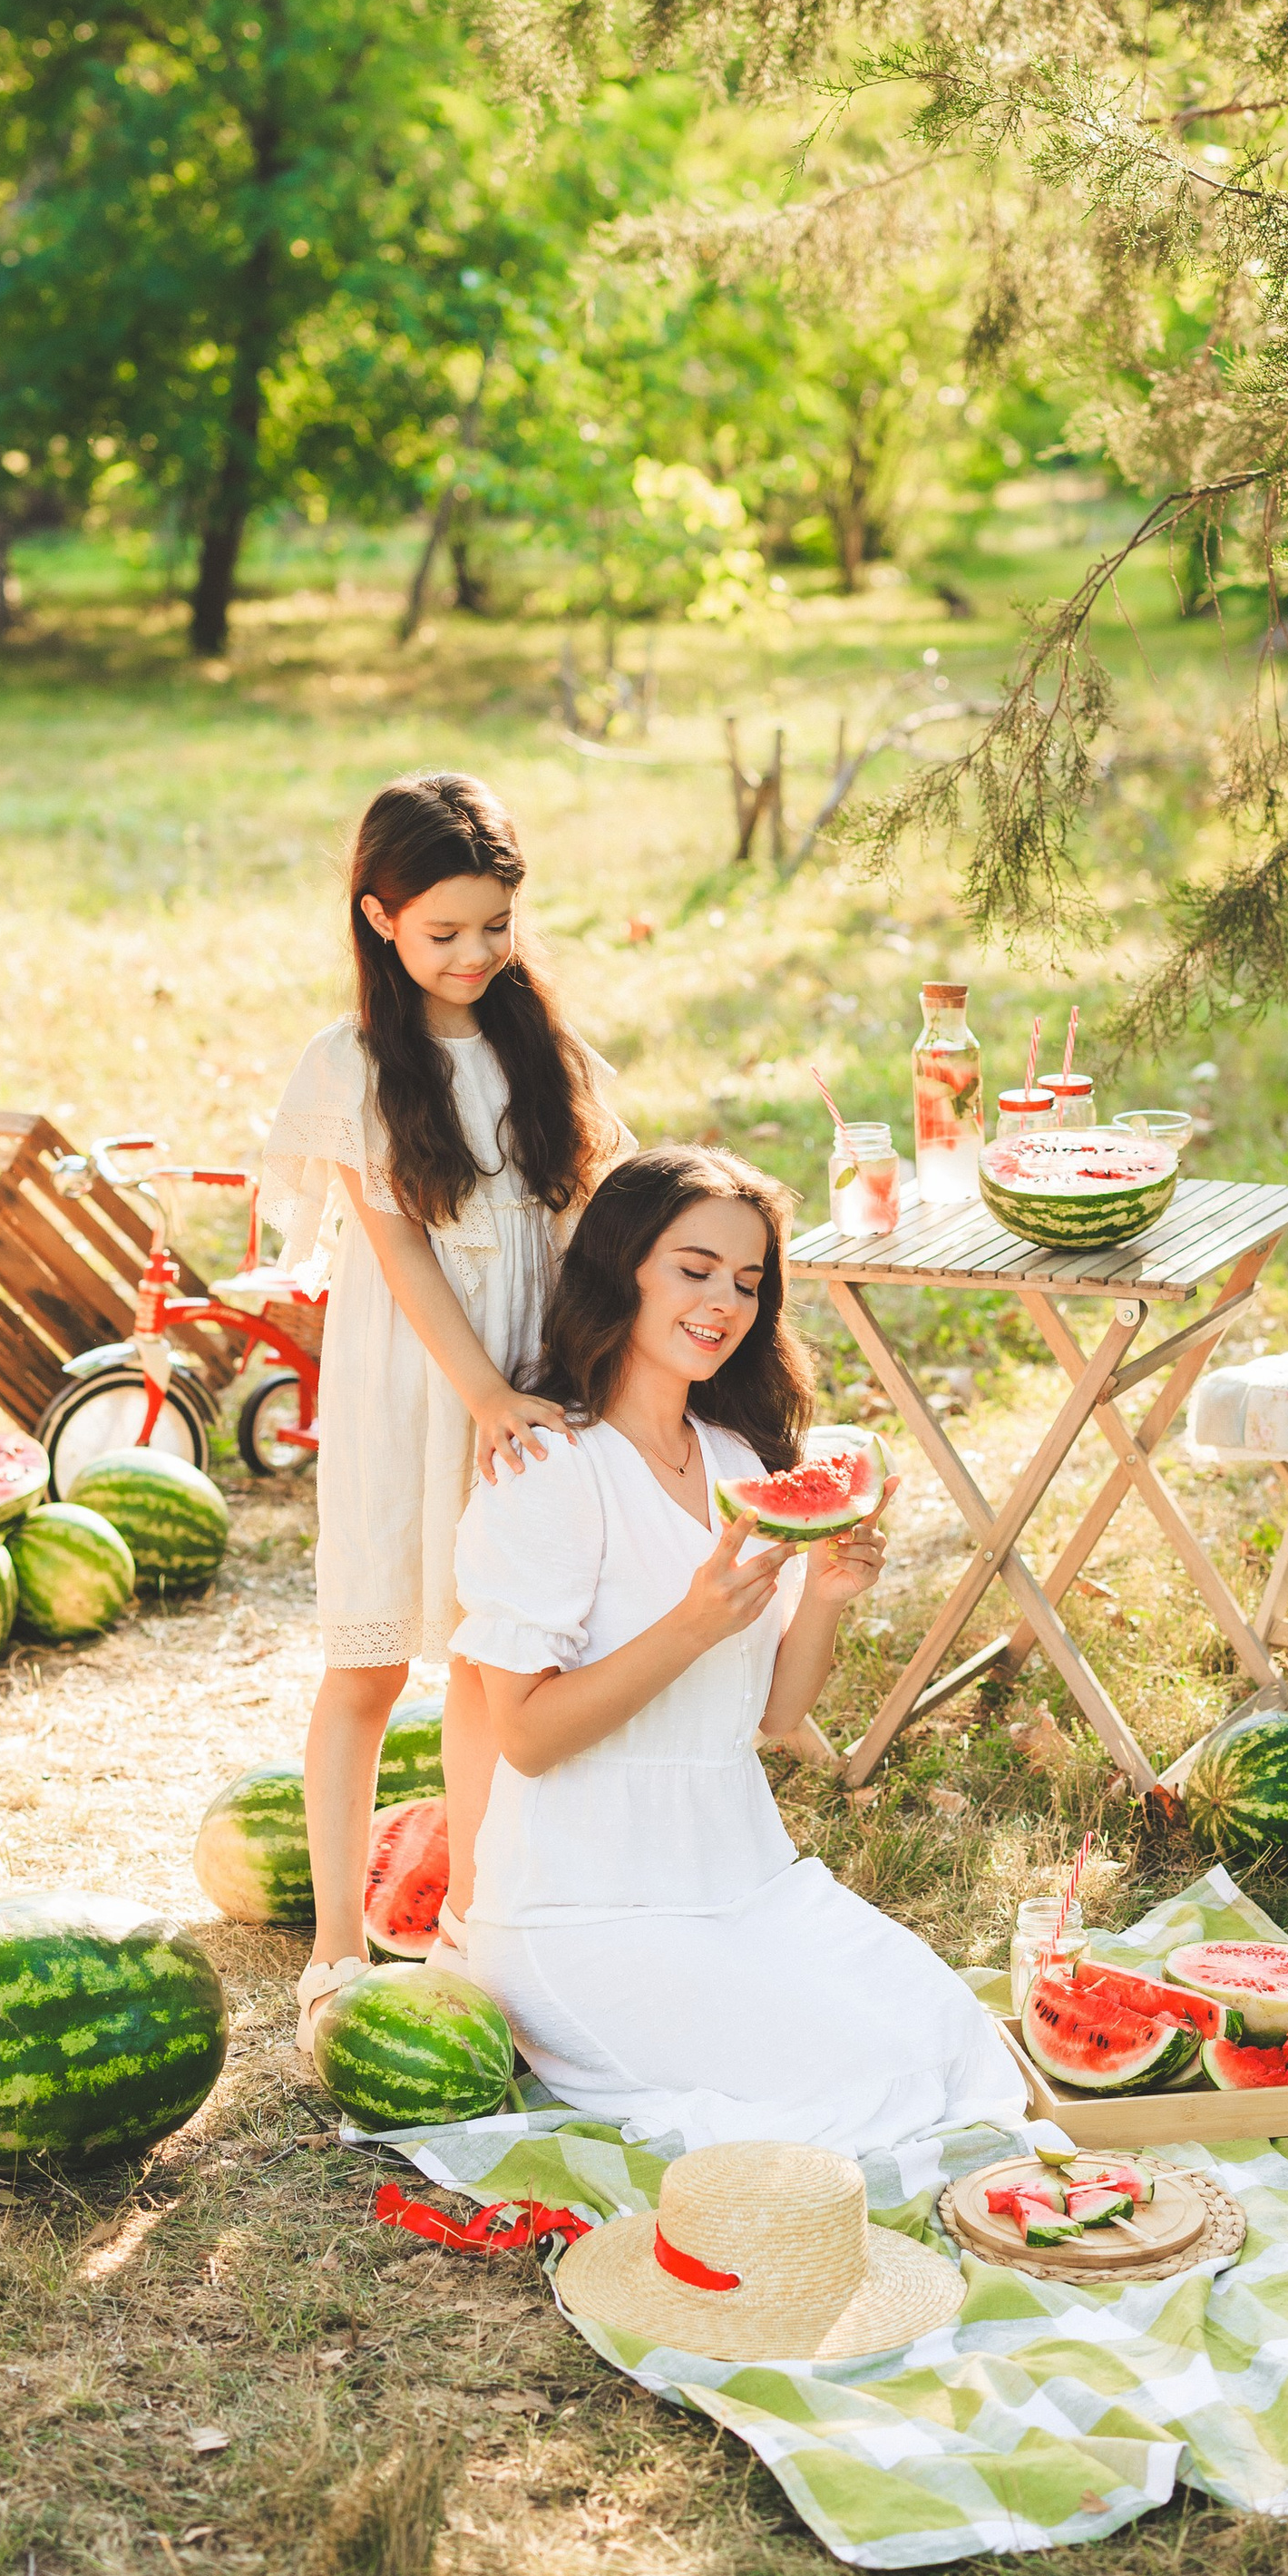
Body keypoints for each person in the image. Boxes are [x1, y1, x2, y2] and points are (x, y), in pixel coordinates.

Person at [447, 1145, 1029, 2154]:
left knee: (949, 2043)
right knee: (864, 2094)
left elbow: (772, 1715)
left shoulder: (735, 1460)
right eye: (695, 1267)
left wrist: (827, 1600)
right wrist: (688, 1627)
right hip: (585, 1913)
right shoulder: (548, 1468)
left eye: (749, 1282)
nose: (725, 1301)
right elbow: (528, 1738)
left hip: (743, 1881)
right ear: (622, 1266)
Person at [261, 771, 625, 2052]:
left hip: (534, 1384)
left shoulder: (546, 1053)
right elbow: (402, 1252)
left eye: (494, 926)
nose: (474, 954)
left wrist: (569, 1382)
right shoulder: (353, 1063)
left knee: (494, 1653)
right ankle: (336, 1941)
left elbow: (591, 1218)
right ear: (377, 917)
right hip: (416, 1380)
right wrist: (483, 1392)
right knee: (369, 1657)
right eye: (443, 932)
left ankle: (476, 1912)